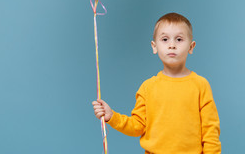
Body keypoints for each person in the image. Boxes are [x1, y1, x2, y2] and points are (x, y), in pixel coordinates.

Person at [92, 12, 221, 153]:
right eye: (165, 39)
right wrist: (112, 117)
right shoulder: (148, 87)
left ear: (191, 47)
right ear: (154, 46)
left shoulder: (201, 85)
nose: (172, 45)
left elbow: (210, 132)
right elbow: (137, 126)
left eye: (179, 39)